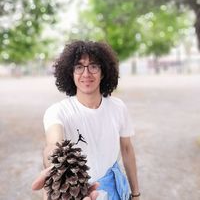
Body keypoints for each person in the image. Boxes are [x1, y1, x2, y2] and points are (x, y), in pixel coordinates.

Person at [34, 40, 140, 199]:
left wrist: (136, 194)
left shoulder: (118, 107)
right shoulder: (57, 111)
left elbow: (126, 149)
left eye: (93, 66)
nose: (86, 73)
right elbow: (53, 145)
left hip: (116, 192)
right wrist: (54, 167)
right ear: (71, 73)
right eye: (79, 67)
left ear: (103, 72)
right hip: (77, 193)